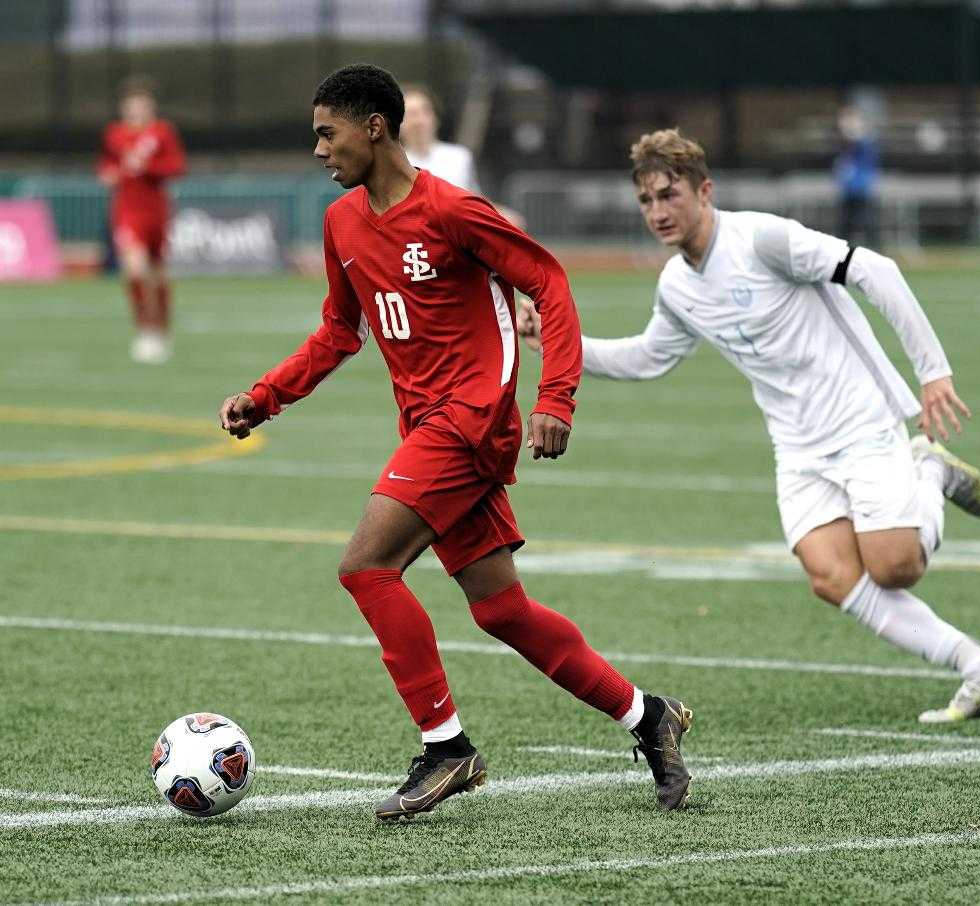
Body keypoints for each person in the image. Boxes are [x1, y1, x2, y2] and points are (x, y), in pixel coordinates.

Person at [219, 65, 693, 820]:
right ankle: (648, 716)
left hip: (470, 421)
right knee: (501, 611)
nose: (318, 150)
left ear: (374, 127)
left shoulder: (453, 211)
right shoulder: (343, 223)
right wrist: (265, 397)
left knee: (366, 567)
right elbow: (340, 333)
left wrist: (557, 396)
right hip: (428, 428)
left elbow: (550, 282)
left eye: (326, 132)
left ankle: (446, 749)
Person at [518, 129, 980, 724]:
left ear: (704, 191)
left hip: (860, 417)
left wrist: (933, 372)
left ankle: (929, 470)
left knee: (895, 567)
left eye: (669, 195)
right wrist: (553, 340)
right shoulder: (678, 285)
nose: (658, 211)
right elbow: (649, 357)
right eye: (647, 201)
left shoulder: (762, 239)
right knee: (832, 575)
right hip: (798, 444)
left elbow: (876, 270)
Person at [97, 77, 186, 364]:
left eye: (142, 109)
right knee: (134, 271)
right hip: (127, 211)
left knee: (159, 275)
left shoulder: (162, 133)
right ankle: (144, 332)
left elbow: (176, 167)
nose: (136, 114)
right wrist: (109, 172)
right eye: (131, 110)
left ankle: (162, 330)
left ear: (151, 108)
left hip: (156, 211)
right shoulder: (114, 135)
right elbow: (107, 165)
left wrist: (147, 167)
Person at [400, 83, 526, 228]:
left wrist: (502, 214)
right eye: (412, 114)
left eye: (425, 112)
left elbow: (474, 199)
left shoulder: (459, 156)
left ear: (435, 118)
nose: (419, 121)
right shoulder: (392, 165)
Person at [834, 105, 880, 248]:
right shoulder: (845, 148)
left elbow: (868, 161)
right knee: (846, 224)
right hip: (848, 189)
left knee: (865, 221)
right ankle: (842, 251)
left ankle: (874, 249)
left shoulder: (864, 144)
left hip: (861, 187)